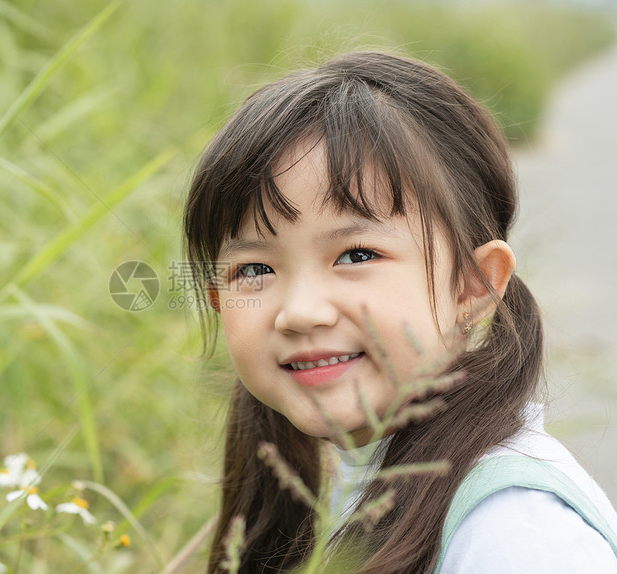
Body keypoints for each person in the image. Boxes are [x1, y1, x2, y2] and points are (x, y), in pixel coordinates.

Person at [182, 51, 617, 573]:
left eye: (357, 255)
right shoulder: (335, 483)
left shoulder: (514, 532)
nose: (299, 313)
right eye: (254, 269)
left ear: (474, 284)